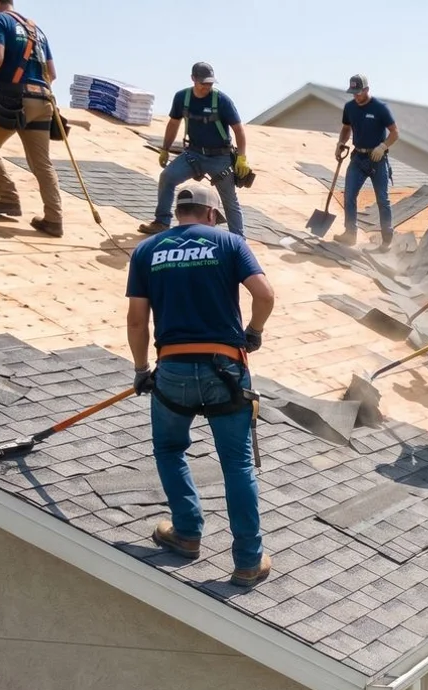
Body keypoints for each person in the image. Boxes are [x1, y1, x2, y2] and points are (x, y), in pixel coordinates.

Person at [126, 184, 275, 587]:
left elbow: (137, 320)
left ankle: (187, 532)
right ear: (211, 214)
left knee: (169, 449)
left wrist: (141, 369)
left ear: (179, 212)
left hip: (172, 369)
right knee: (237, 465)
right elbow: (264, 295)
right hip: (225, 370)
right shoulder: (230, 243)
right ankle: (248, 561)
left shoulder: (146, 250)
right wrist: (254, 331)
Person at [0, 0, 63, 237]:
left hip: (15, 99)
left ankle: (8, 198)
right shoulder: (36, 29)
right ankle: (54, 219)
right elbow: (52, 74)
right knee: (42, 163)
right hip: (43, 101)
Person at [140, 62, 250, 237]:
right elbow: (173, 124)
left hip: (219, 157)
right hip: (193, 154)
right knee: (167, 177)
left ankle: (238, 239)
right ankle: (161, 222)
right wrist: (165, 149)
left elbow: (239, 130)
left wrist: (242, 158)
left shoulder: (221, 101)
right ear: (193, 79)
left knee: (229, 200)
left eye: (210, 83)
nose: (207, 86)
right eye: (203, 83)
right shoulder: (182, 98)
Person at [334, 75, 399, 248]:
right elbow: (346, 128)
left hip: (378, 159)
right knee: (349, 195)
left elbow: (395, 133)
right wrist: (341, 143)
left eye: (358, 92)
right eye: (353, 92)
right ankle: (350, 234)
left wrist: (383, 146)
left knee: (382, 200)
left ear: (367, 90)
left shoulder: (380, 108)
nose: (355, 96)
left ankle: (387, 240)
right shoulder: (349, 107)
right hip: (358, 158)